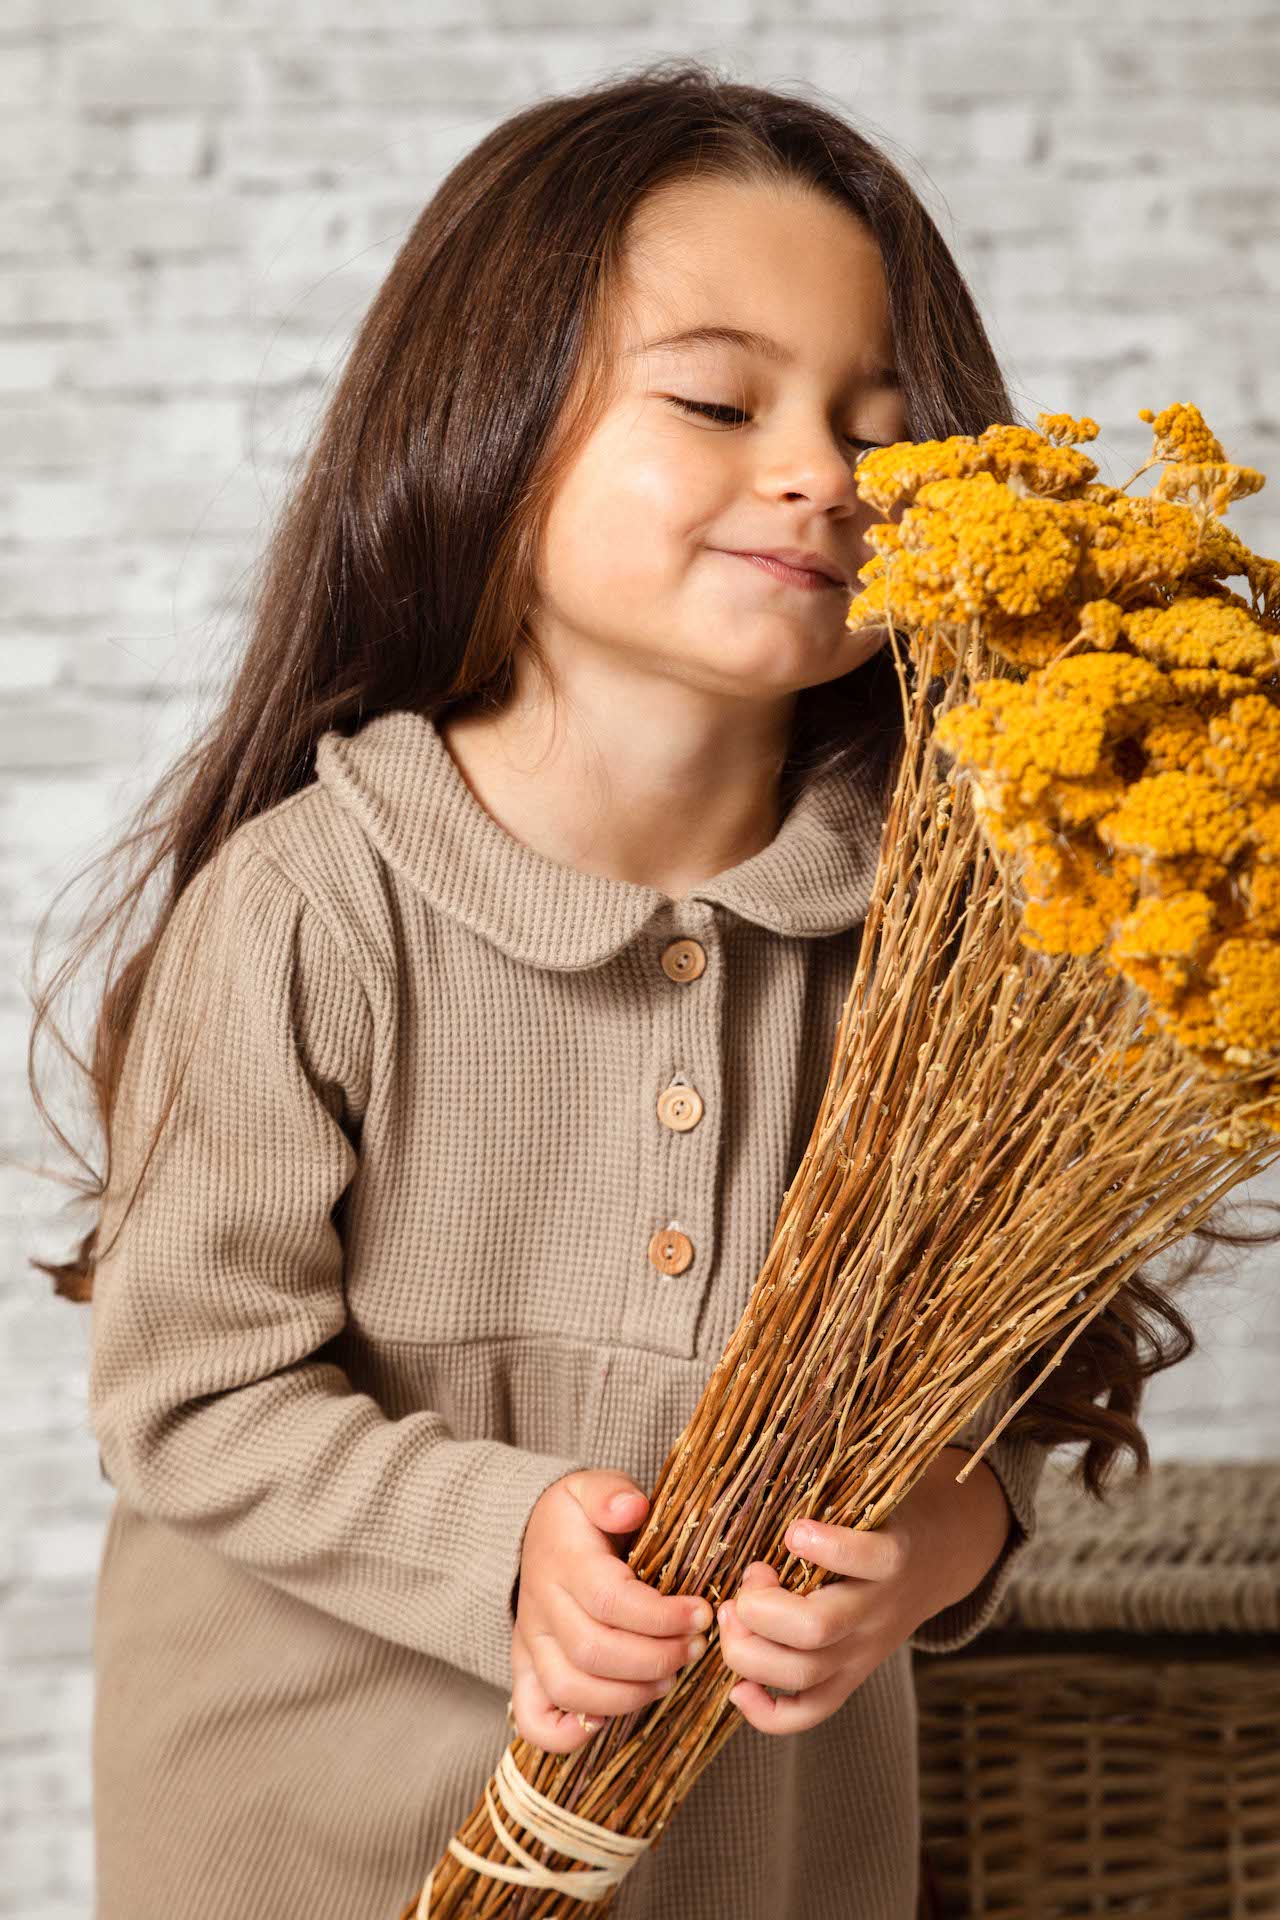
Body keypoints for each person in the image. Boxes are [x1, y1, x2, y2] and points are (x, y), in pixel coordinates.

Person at [35, 61, 1059, 1920]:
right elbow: (189, 1391)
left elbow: (994, 1416)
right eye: (718, 400)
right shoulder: (315, 905)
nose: (821, 473)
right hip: (313, 1851)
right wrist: (496, 1539)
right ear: (491, 425)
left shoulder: (943, 960)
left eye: (877, 429)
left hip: (753, 1862)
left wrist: (935, 1545)